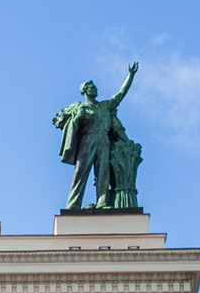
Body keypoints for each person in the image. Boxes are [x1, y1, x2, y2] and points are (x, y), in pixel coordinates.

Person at [52, 63, 139, 212]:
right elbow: (73, 128)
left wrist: (130, 76)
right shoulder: (81, 108)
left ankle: (102, 202)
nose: (96, 89)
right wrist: (78, 118)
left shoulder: (105, 106)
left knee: (103, 173)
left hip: (103, 140)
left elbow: (120, 95)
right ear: (85, 91)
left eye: (95, 87)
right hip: (88, 139)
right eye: (92, 87)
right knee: (81, 171)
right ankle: (73, 205)